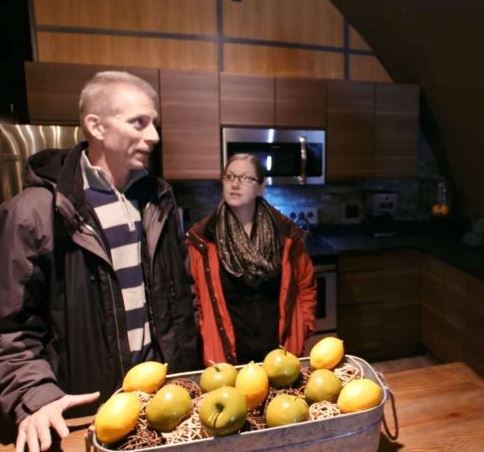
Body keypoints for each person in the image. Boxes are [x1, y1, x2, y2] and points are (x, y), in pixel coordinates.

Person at [0, 71, 200, 450]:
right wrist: (35, 396)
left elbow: (180, 301)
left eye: (154, 124)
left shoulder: (159, 201)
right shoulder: (33, 212)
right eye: (139, 123)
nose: (154, 137)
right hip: (79, 415)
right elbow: (10, 328)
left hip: (161, 408)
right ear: (97, 126)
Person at [186, 153, 317, 365]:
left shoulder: (285, 235)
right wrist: (204, 337)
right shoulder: (203, 240)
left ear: (261, 187)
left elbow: (306, 285)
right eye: (230, 176)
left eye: (246, 178)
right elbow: (195, 302)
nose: (235, 184)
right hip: (228, 357)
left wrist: (304, 327)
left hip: (280, 354)